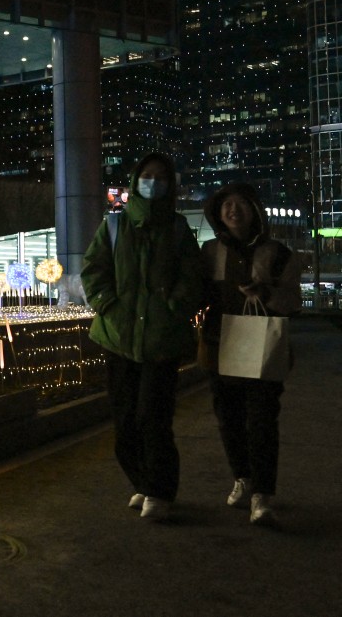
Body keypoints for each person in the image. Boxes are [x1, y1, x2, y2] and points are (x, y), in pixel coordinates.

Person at [81, 153, 202, 522]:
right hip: (119, 337)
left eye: (160, 177)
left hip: (161, 342)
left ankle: (160, 490)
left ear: (170, 185)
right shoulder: (115, 226)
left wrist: (173, 308)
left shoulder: (179, 230)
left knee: (154, 418)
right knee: (124, 421)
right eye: (147, 176)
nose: (153, 182)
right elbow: (94, 269)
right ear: (135, 182)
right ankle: (143, 482)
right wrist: (108, 305)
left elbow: (193, 279)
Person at [199, 182, 301, 527]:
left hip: (263, 347)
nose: (233, 210)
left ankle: (263, 494)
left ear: (254, 210)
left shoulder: (278, 253)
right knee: (228, 418)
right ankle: (242, 477)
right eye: (226, 204)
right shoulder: (210, 251)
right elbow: (199, 295)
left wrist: (266, 293)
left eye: (241, 203)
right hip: (220, 344)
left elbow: (292, 302)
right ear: (217, 212)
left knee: (261, 420)